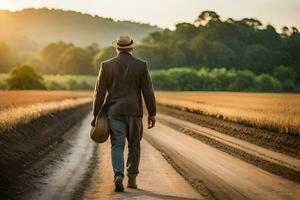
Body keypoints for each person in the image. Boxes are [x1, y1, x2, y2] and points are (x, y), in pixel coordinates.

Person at [91, 35, 156, 192]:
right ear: (131, 48)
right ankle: (132, 178)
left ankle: (118, 176)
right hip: (134, 112)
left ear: (117, 48)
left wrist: (95, 114)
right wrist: (152, 113)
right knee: (134, 145)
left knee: (117, 145)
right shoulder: (141, 65)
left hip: (114, 112)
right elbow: (148, 91)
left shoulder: (106, 65)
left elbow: (99, 93)